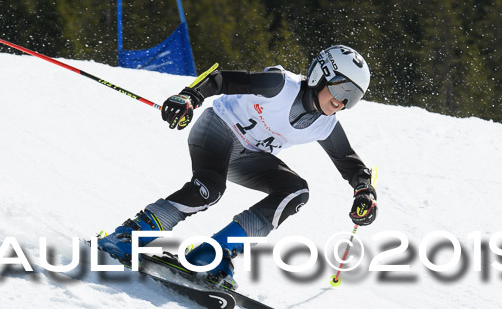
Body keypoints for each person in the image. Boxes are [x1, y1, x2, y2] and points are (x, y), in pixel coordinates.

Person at [98, 45, 378, 289]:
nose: (342, 101)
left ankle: (212, 255)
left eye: (352, 98)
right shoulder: (280, 85)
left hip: (247, 157)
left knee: (295, 192)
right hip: (217, 128)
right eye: (343, 89)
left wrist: (364, 190)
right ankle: (128, 235)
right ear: (321, 74)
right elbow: (221, 80)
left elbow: (348, 160)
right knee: (209, 189)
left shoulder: (325, 124)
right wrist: (189, 96)